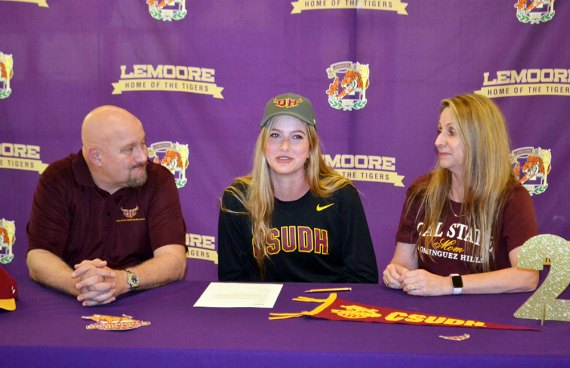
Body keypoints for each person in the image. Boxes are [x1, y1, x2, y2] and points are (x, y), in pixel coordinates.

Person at [26, 105, 187, 306]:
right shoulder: (57, 179)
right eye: (129, 149)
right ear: (96, 156)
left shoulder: (158, 179)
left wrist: (124, 280)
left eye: (143, 144)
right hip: (74, 302)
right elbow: (39, 256)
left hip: (142, 300)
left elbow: (174, 260)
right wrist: (79, 285)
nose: (143, 157)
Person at [383, 93, 538, 296]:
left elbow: (527, 276)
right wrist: (396, 273)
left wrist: (449, 285)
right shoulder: (421, 192)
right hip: (426, 313)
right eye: (440, 130)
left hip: (487, 317)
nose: (439, 141)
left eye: (452, 132)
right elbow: (403, 261)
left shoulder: (512, 198)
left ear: (480, 140)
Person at [218, 93, 378, 283]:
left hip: (326, 308)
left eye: (296, 137)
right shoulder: (237, 200)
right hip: (263, 311)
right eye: (275, 135)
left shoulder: (341, 196)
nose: (284, 146)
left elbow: (364, 278)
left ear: (311, 148)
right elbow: (231, 283)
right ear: (263, 145)